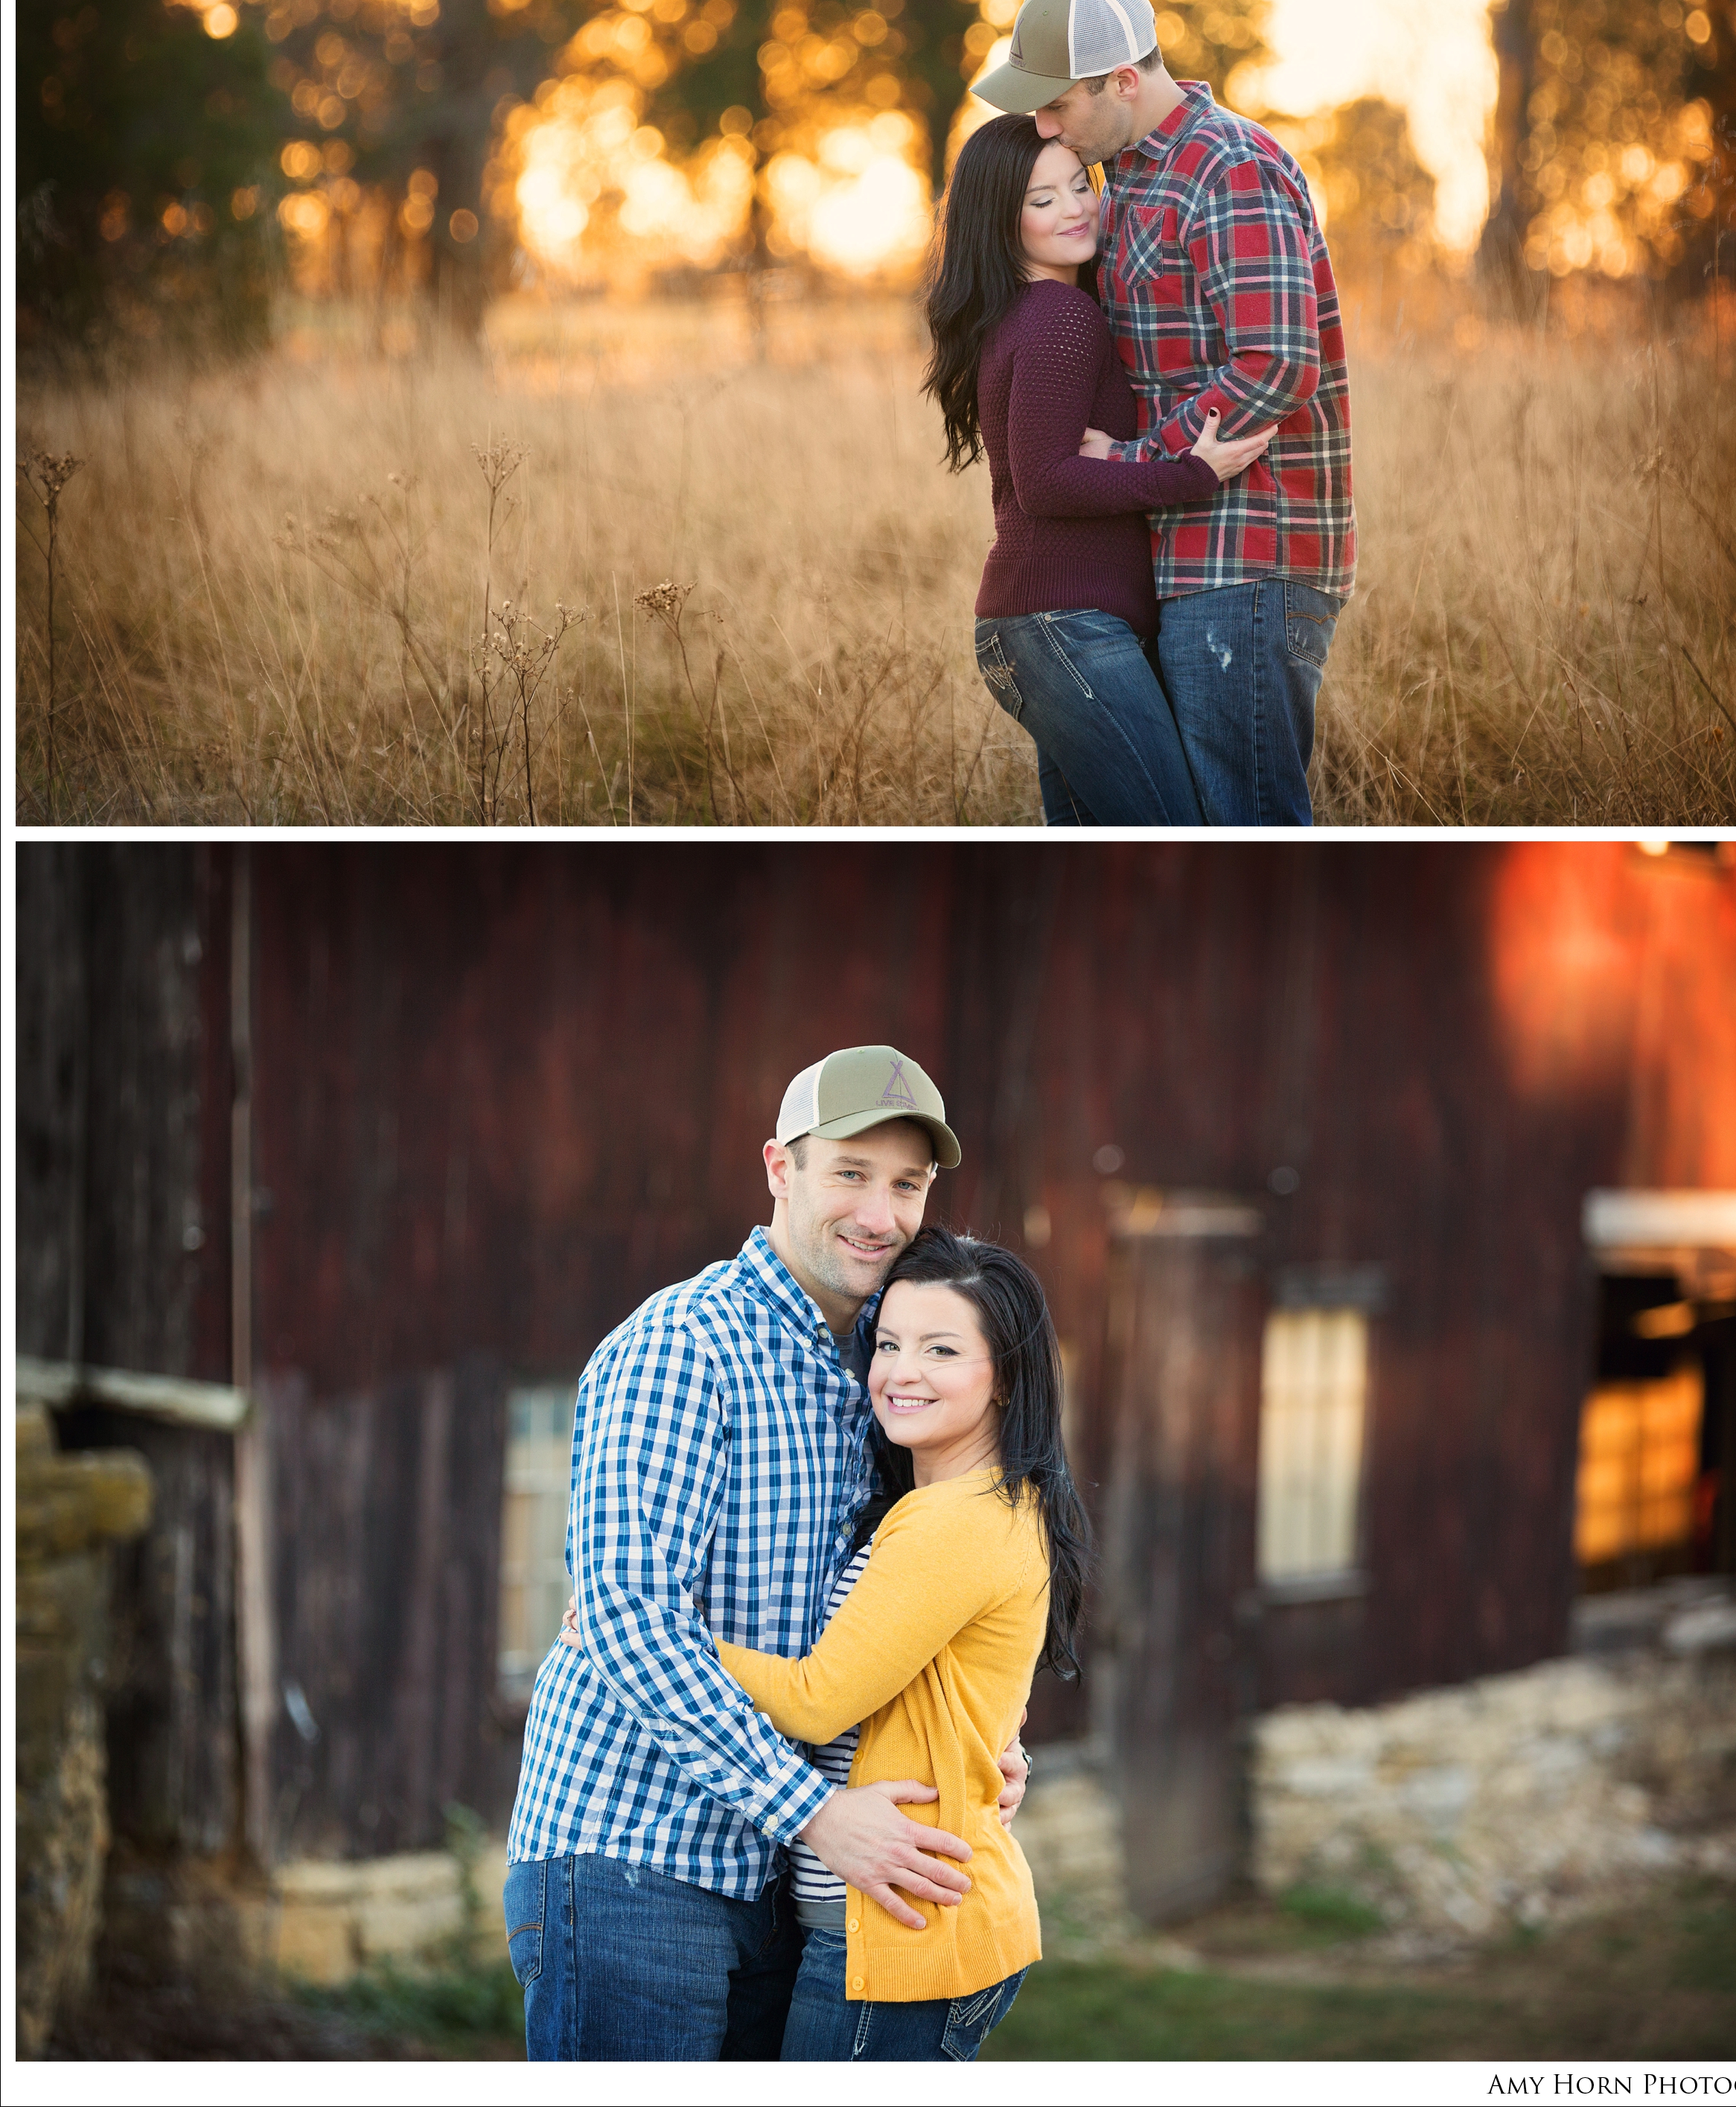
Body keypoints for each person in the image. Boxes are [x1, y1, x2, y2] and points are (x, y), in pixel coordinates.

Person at [502, 1045, 1027, 2062]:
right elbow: (627, 1621)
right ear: (780, 1170)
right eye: (850, 1173)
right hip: (633, 1857)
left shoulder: (897, 1359)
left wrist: (980, 1740)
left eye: (907, 1184)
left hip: (784, 1880)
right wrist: (819, 1815)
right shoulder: (682, 1347)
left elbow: (927, 1593)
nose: (881, 1214)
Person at [974, 0, 1356, 826]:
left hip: (1248, 553)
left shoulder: (1227, 166)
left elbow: (1275, 362)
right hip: (1178, 558)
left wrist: (1148, 457)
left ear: (1120, 81)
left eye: (1057, 103)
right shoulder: (1129, 180)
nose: (1042, 126)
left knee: (1240, 825)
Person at [712, 1224, 1090, 2062]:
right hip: (906, 1913)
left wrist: (671, 1636)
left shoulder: (950, 1520)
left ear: (1004, 1378)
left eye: (941, 1348)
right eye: (887, 1342)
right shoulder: (990, 1502)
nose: (899, 1370)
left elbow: (821, 1698)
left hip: (908, 1927)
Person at [924, 112, 1266, 825]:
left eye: (1081, 185)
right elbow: (1046, 481)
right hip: (1064, 626)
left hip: (1049, 626)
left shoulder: (1030, 312)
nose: (1076, 209)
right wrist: (1191, 473)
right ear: (1000, 219)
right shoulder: (1060, 318)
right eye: (1042, 200)